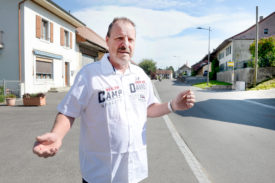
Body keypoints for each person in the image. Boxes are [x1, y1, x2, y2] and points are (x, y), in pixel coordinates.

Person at [33, 17, 195, 183]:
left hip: (134, 173)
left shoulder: (140, 75)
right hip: (100, 175)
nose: (125, 44)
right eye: (119, 38)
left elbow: (148, 108)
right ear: (107, 41)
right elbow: (68, 112)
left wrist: (172, 105)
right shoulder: (89, 75)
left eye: (130, 39)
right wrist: (57, 135)